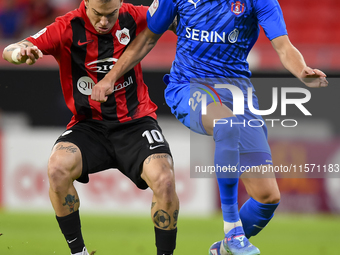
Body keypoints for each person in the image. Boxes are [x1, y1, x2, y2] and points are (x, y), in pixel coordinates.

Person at [90, 0, 329, 254]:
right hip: (189, 85)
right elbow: (148, 39)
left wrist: (302, 71)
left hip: (238, 94)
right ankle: (232, 229)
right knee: (225, 125)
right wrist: (110, 78)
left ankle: (223, 250)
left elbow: (283, 47)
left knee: (267, 198)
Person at [2, 1, 179, 255]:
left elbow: (177, 19)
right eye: (97, 14)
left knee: (165, 180)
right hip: (89, 126)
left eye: (111, 15)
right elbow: (13, 48)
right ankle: (79, 253)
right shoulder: (66, 27)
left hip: (135, 123)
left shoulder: (136, 16)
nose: (104, 22)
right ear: (85, 4)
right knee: (57, 168)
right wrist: (19, 54)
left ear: (120, 4)